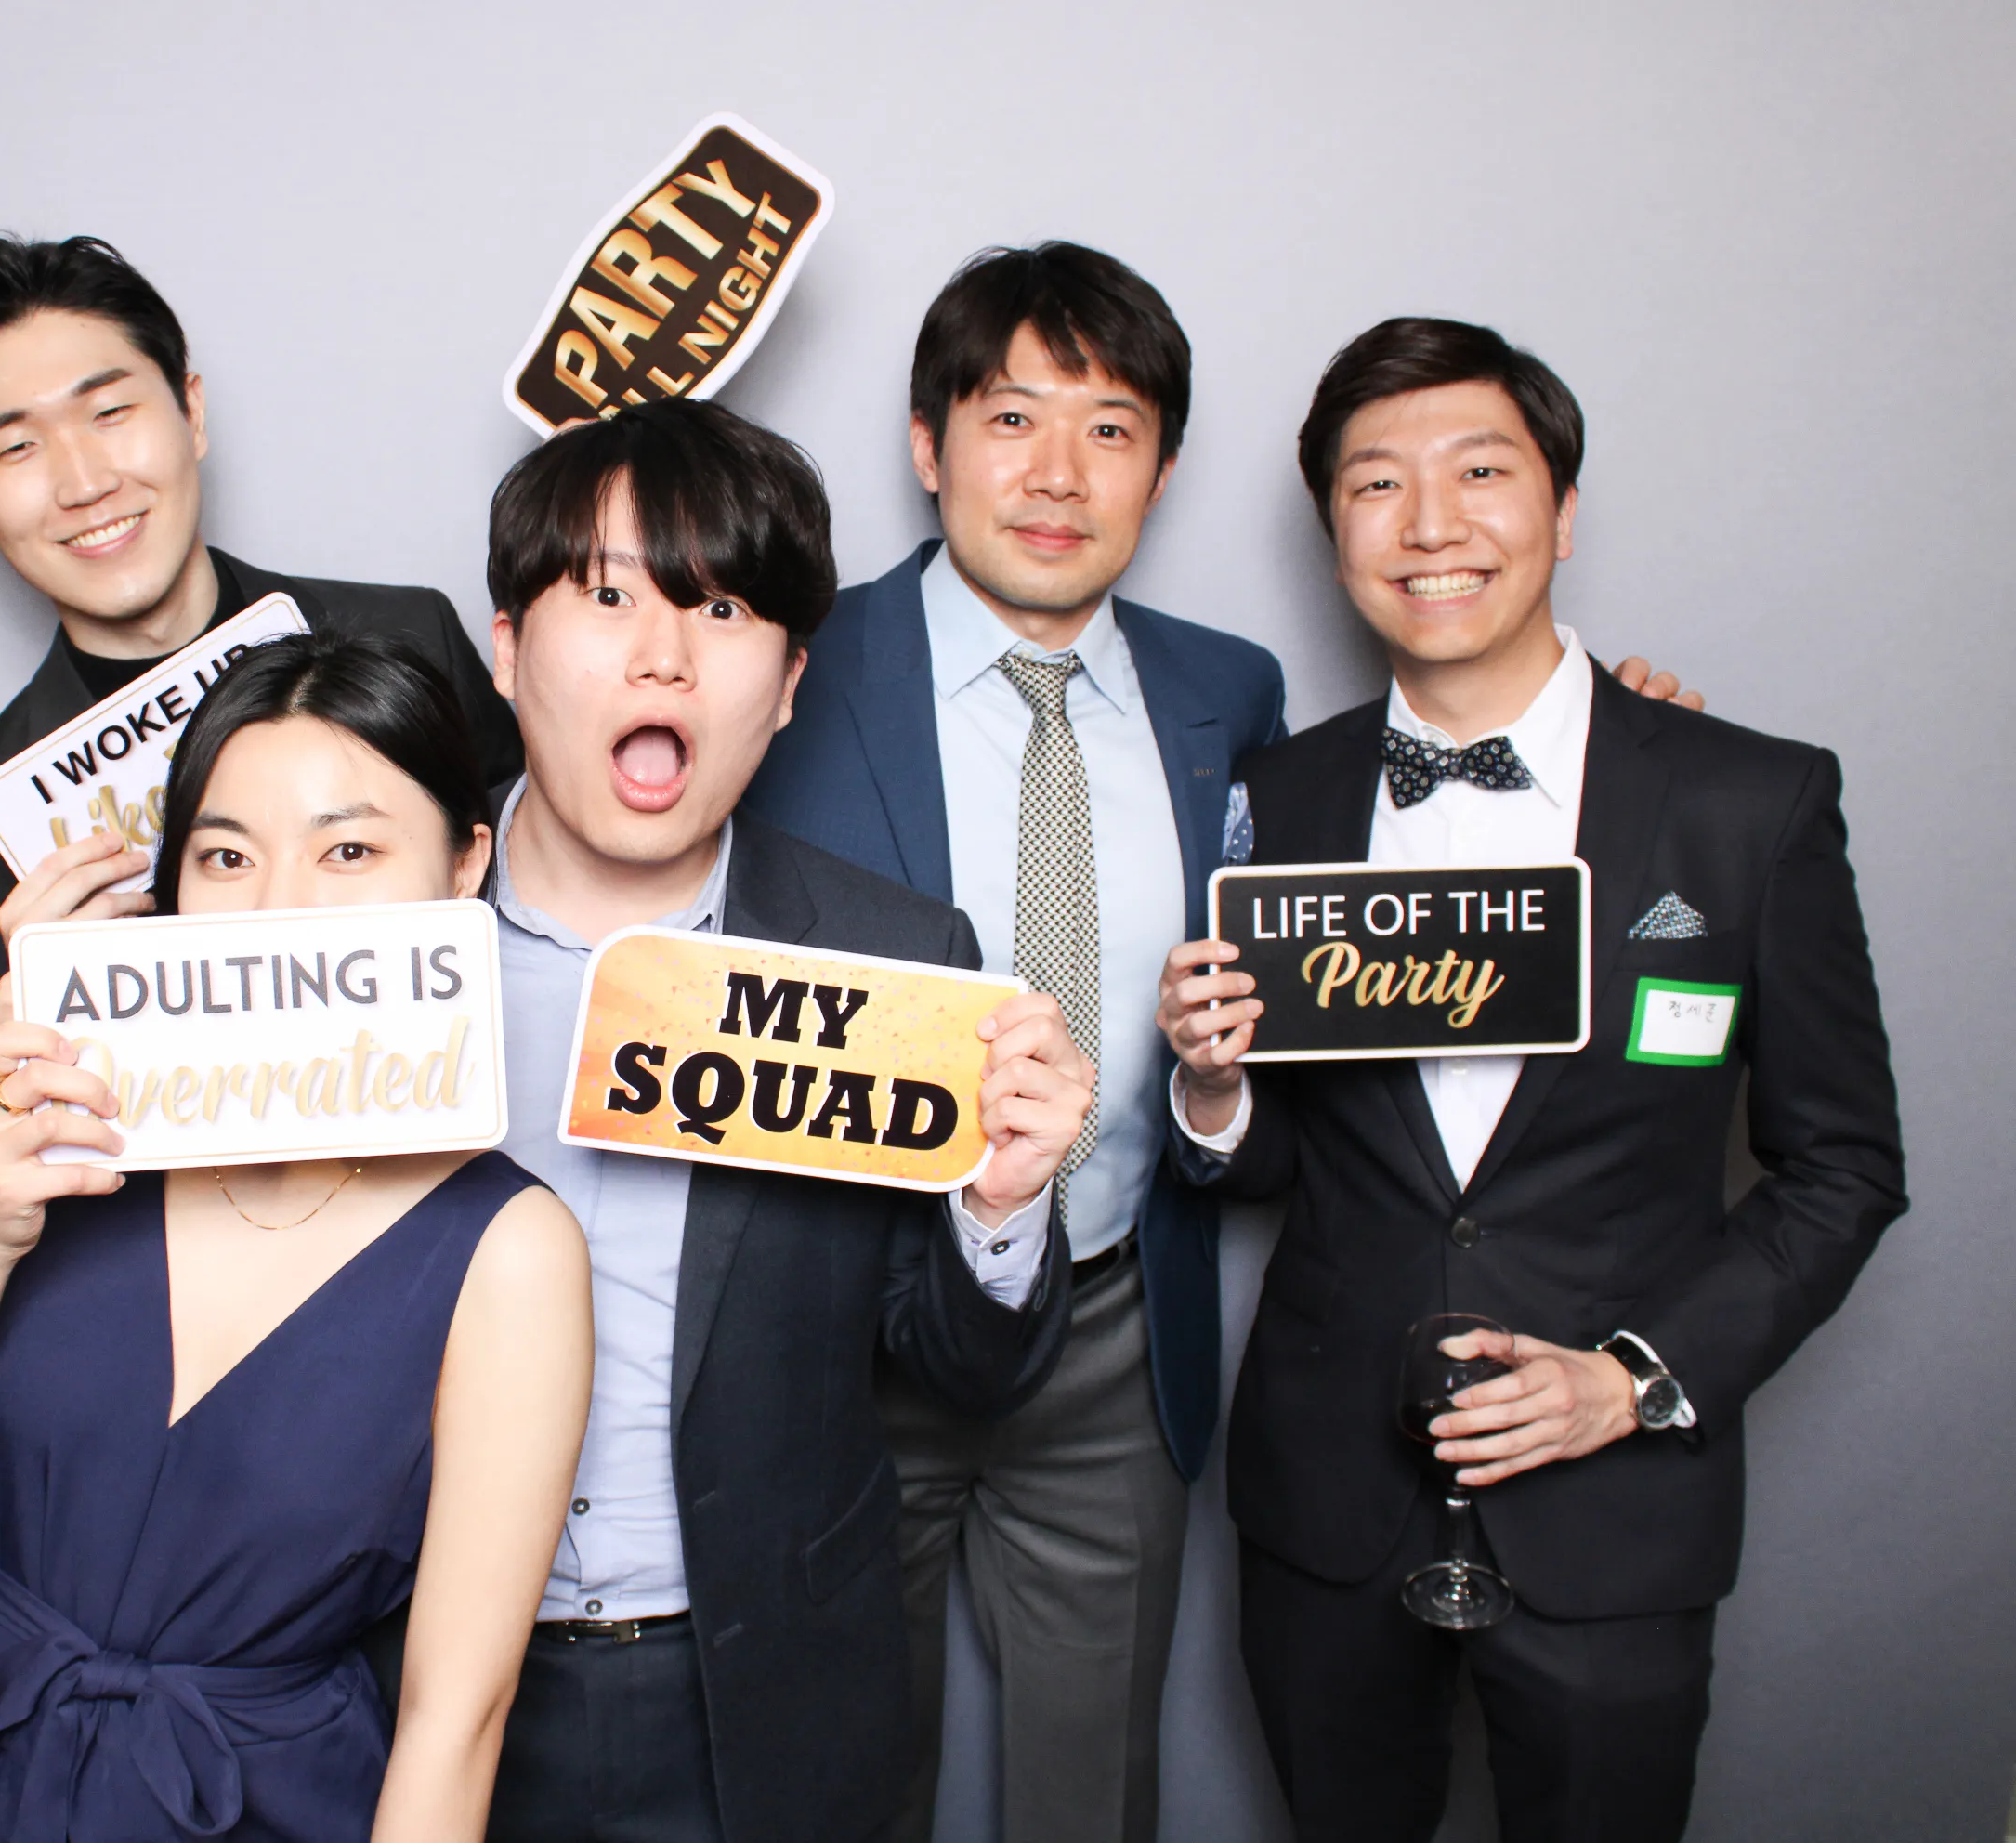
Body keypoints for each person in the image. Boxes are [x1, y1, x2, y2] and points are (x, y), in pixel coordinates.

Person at [744, 244, 1705, 1843]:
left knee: (1088, 1786)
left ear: (1165, 468)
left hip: (1116, 1330)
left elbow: (1361, 913)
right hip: (843, 1317)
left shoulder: (1225, 692)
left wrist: (1621, 744)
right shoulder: (786, 662)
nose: (1058, 475)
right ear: (926, 445)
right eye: (1010, 420)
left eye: (1111, 428)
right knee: (836, 1777)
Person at [1156, 319, 1906, 1841]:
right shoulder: (1278, 797)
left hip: (1618, 1511)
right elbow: (1287, 1155)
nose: (1429, 524)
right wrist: (1215, 1089)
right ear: (1335, 533)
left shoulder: (1743, 800)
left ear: (1561, 511)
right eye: (1376, 485)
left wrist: (1629, 1376)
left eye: (1479, 472)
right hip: (1326, 1504)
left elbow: (1843, 1168)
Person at [0, 632, 593, 1842]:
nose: (279, 905)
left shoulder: (509, 1251)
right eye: (227, 854)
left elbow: (458, 1715)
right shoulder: (64, 1109)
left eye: (349, 849)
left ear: (460, 867)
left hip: (246, 1801)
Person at [477, 398, 1094, 1843]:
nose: (663, 654)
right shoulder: (373, 926)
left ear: (792, 683)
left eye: (727, 607)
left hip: (758, 1695)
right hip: (410, 1678)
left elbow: (960, 1367)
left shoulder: (894, 961)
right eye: (609, 593)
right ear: (507, 648)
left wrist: (1000, 1209)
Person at [0, 234, 524, 1044]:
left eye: (111, 412)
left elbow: (540, 919)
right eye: (17, 447)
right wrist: (53, 1009)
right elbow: (13, 1117)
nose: (85, 483)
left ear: (190, 411)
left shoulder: (408, 636)